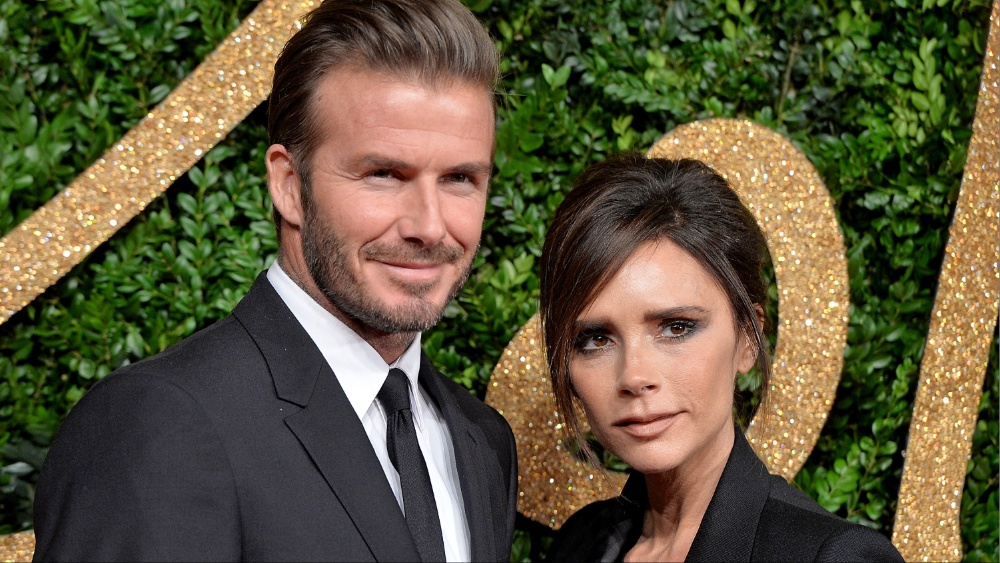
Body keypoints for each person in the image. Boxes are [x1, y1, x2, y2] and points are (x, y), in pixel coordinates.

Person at [31, 0, 517, 561]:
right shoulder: (159, 427)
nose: (429, 226)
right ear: (289, 185)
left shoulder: (483, 443)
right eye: (383, 175)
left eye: (460, 178)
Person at [539, 155, 903, 562]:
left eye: (676, 327)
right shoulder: (580, 543)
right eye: (595, 339)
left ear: (748, 338)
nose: (635, 376)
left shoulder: (835, 557)